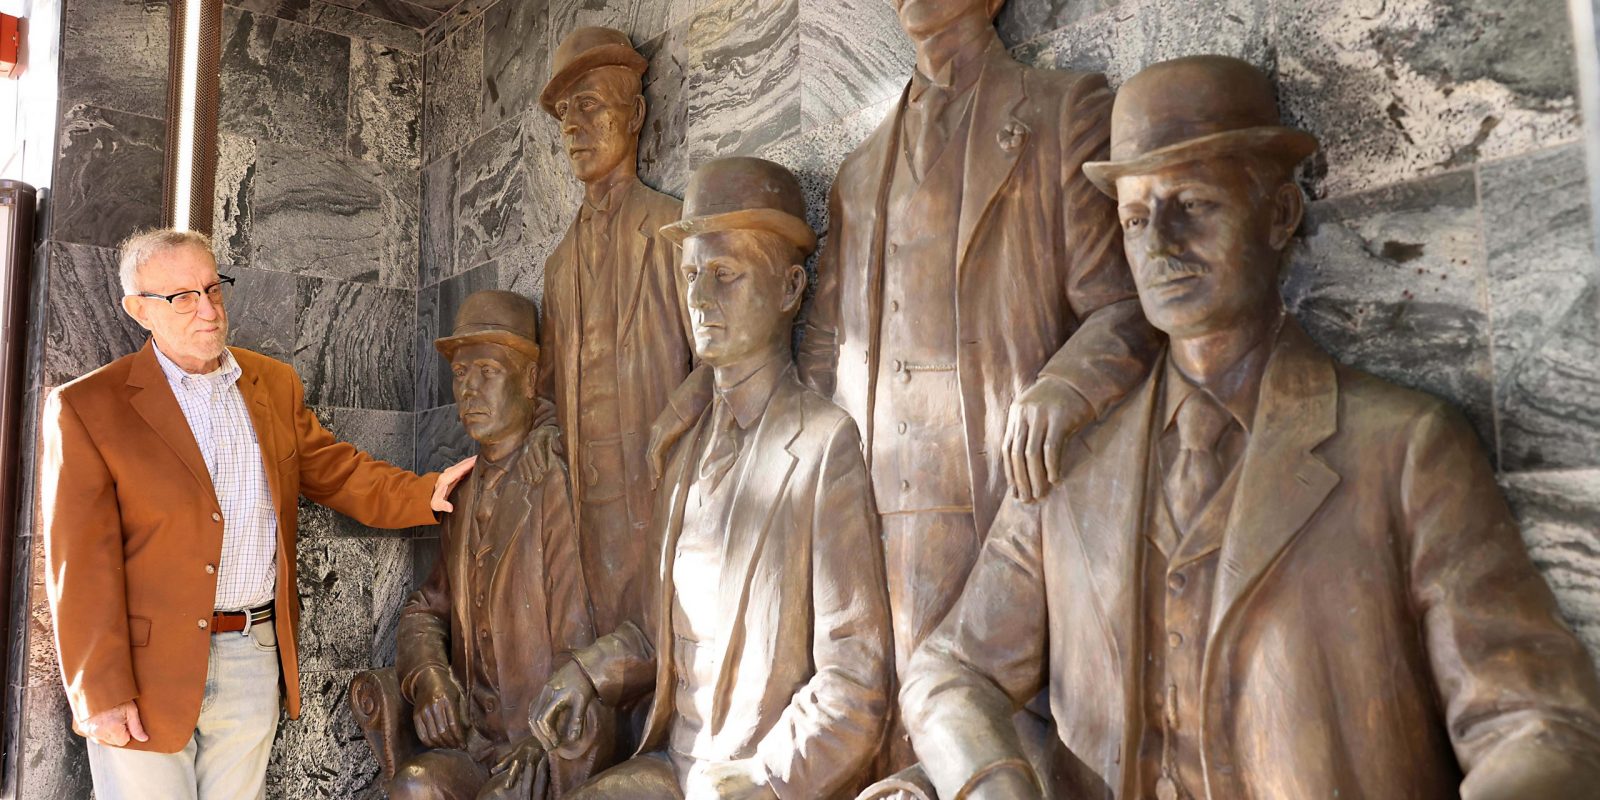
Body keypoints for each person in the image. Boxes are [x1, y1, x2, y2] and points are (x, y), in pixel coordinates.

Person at [896, 56, 1600, 799]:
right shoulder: (1071, 463)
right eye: (1136, 219)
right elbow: (950, 671)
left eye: (1194, 205)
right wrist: (995, 785)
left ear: (1280, 215)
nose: (1159, 244)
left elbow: (1535, 722)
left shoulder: (1404, 449)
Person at [792, 0, 1158, 768]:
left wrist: (1066, 387)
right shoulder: (860, 175)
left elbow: (1127, 308)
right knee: (892, 740)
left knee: (1000, 737)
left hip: (1007, 493)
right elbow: (825, 343)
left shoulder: (1062, 111)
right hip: (877, 510)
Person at [40, 228, 474, 799]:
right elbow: (79, 565)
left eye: (212, 287)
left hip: (253, 651)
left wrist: (425, 492)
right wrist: (99, 691)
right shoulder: (88, 406)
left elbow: (337, 470)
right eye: (182, 297)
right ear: (138, 309)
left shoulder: (272, 384)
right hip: (144, 670)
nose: (207, 308)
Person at [531, 158, 892, 799]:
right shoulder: (684, 449)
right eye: (691, 274)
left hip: (753, 776)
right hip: (674, 768)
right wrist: (588, 672)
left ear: (789, 288)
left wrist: (769, 776)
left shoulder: (822, 446)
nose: (699, 298)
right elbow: (657, 630)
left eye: (724, 275)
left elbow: (855, 678)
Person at [383, 290, 607, 800]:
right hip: (478, 741)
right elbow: (425, 608)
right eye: (461, 374)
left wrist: (543, 739)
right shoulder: (461, 492)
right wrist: (429, 679)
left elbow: (584, 631)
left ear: (530, 380)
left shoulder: (555, 479)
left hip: (548, 742)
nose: (469, 390)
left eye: (487, 370)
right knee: (413, 789)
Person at [537, 26, 694, 642]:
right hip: (583, 518)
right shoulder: (557, 267)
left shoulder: (673, 231)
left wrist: (673, 422)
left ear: (636, 115)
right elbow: (547, 395)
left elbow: (721, 362)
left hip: (658, 502)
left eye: (590, 106)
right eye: (564, 115)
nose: (572, 127)